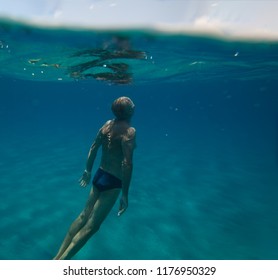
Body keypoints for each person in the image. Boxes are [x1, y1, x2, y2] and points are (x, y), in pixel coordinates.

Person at [53, 96, 136, 260]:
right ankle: (59, 263)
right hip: (113, 181)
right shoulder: (129, 132)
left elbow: (93, 147)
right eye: (131, 104)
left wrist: (88, 170)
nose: (134, 105)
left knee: (84, 216)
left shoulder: (107, 125)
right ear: (127, 111)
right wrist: (125, 194)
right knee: (92, 226)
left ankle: (55, 258)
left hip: (100, 175)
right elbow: (127, 164)